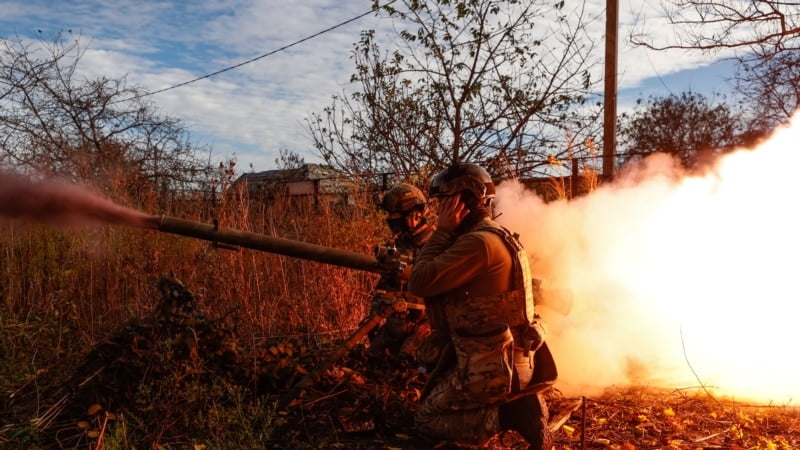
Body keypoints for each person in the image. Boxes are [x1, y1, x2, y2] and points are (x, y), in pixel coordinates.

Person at [407, 163, 558, 449]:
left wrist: (441, 232)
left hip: (494, 368)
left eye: (441, 203)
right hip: (506, 359)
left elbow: (420, 281)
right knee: (433, 397)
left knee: (426, 419)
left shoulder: (477, 244)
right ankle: (515, 407)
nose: (436, 211)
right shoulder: (495, 235)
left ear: (459, 202)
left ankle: (510, 413)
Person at [367, 183, 436, 363]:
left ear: (415, 215)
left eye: (394, 215)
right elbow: (385, 286)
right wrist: (373, 317)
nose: (390, 219)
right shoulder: (400, 242)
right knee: (374, 356)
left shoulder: (435, 245)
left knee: (407, 363)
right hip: (396, 322)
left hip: (423, 326)